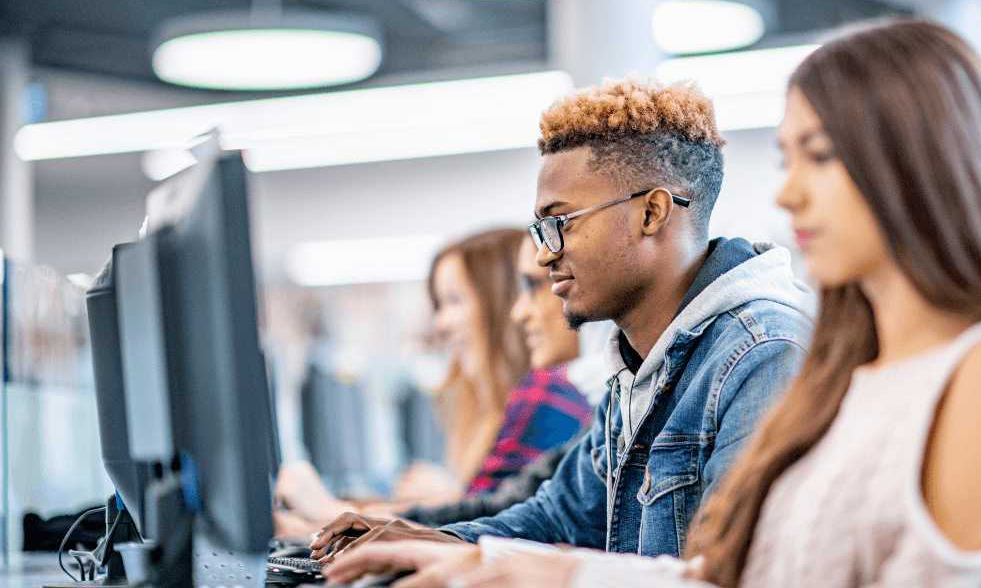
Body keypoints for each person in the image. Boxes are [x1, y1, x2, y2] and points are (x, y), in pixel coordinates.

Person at [322, 17, 981, 588]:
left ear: (918, 164)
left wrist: (534, 572)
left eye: (819, 156)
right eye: (788, 159)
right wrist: (502, 563)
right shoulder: (853, 370)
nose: (787, 197)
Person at [309, 76, 814, 560]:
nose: (546, 255)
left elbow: (732, 574)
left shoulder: (761, 355)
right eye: (540, 230)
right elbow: (558, 517)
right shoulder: (638, 366)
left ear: (652, 213)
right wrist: (424, 540)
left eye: (560, 224)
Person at [275, 228, 591, 532]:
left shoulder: (542, 392)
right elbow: (490, 509)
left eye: (455, 300)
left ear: (501, 300)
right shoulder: (519, 398)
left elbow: (493, 522)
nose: (441, 322)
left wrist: (329, 516)